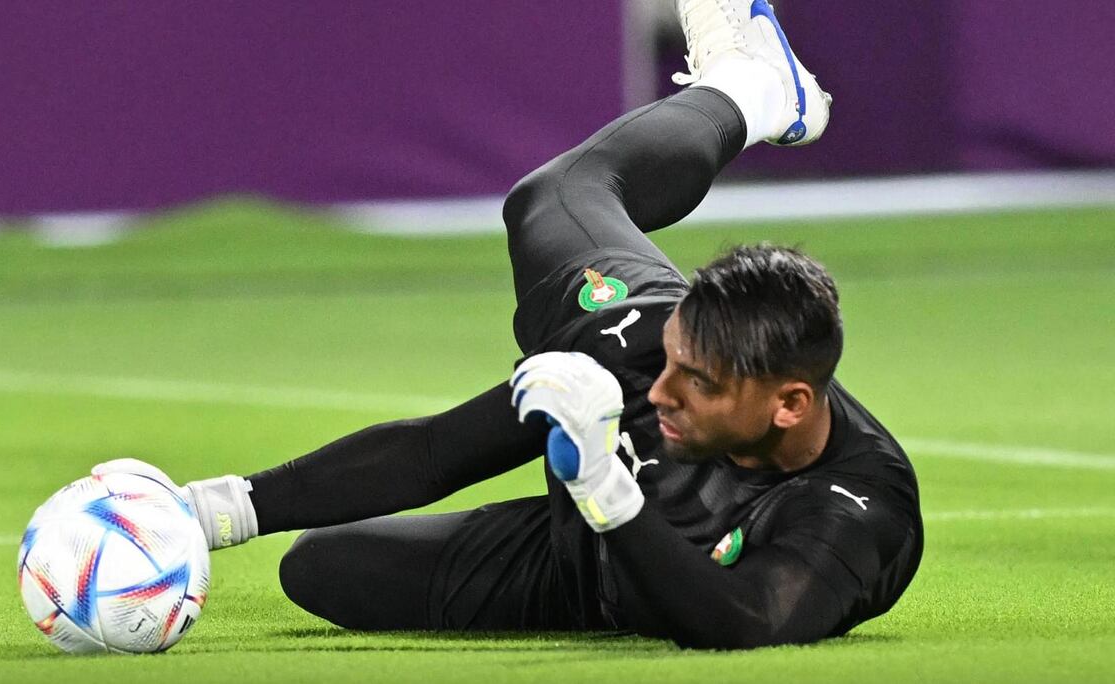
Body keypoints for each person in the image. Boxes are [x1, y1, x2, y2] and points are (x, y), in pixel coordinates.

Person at [96, 0, 922, 649]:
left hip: (606, 561)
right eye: (671, 360)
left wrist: (603, 489)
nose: (661, 389)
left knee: (335, 569)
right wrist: (206, 511)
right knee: (554, 197)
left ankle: (754, 83)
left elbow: (745, 619)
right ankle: (754, 85)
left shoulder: (857, 508)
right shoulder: (644, 355)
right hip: (600, 533)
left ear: (789, 405)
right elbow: (436, 451)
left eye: (695, 383)